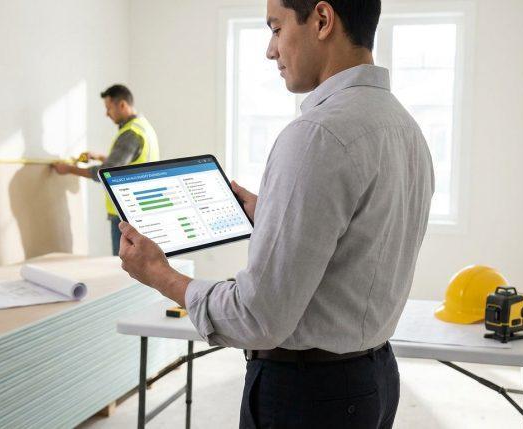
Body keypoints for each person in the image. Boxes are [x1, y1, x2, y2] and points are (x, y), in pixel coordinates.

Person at [116, 0, 434, 427]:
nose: (271, 50)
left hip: (309, 396)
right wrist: (274, 214)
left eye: (276, 28)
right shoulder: (404, 127)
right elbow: (363, 239)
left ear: (322, 20)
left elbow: (257, 317)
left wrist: (160, 274)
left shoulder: (316, 135)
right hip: (373, 378)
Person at [52, 84, 159, 255]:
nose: (106, 113)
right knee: (138, 267)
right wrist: (100, 157)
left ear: (122, 105)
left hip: (126, 213)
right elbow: (132, 162)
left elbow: (106, 173)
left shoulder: (130, 133)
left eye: (109, 108)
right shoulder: (143, 127)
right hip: (140, 208)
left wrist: (69, 169)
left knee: (125, 267)